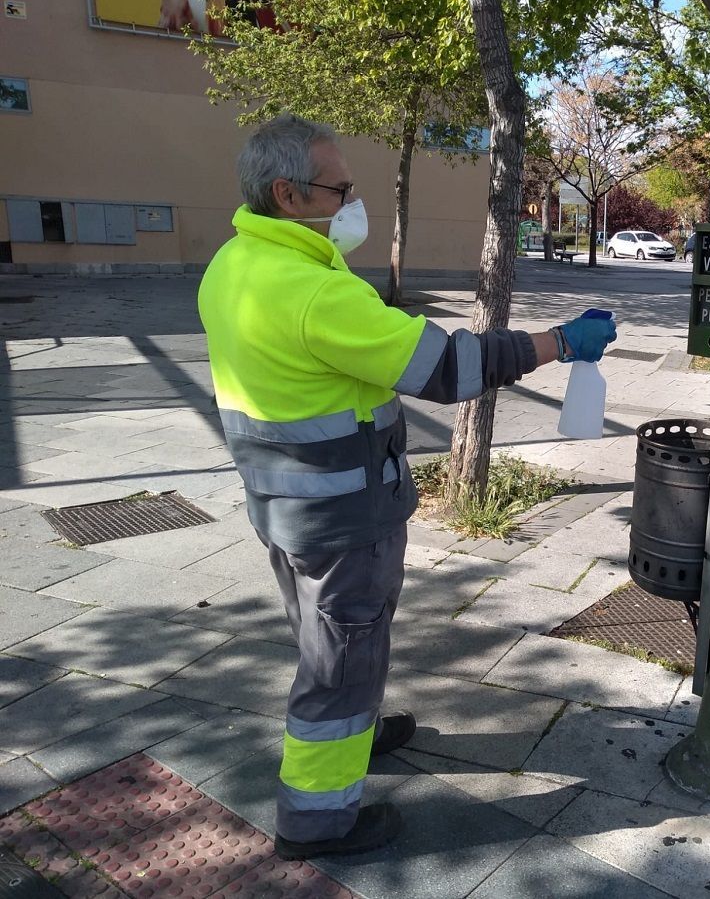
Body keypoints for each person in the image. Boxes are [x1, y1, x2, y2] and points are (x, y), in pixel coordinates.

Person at [197, 114, 616, 861]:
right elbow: (447, 367)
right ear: (287, 193)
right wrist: (559, 342)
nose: (353, 201)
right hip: (341, 515)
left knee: (330, 639)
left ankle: (357, 728)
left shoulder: (234, 264)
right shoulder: (311, 292)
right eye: (340, 187)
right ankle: (317, 822)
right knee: (338, 664)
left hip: (285, 507)